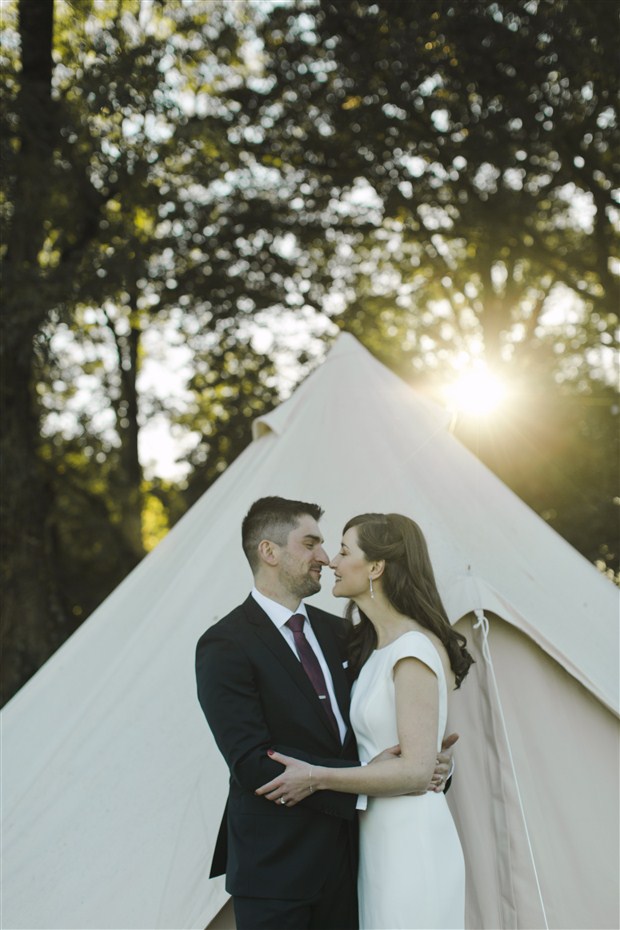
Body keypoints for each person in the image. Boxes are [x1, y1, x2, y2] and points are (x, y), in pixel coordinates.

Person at [195, 497, 456, 930]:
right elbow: (252, 765)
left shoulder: (342, 634)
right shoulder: (224, 644)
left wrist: (429, 764)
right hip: (274, 870)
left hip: (353, 866)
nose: (324, 557)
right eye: (311, 543)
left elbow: (382, 725)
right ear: (269, 552)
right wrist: (373, 777)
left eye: (329, 546)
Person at [256, 512, 474, 930]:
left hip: (412, 839)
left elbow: (414, 770)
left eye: (342, 550)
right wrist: (430, 762)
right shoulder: (372, 648)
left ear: (375, 568)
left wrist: (317, 777)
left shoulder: (413, 649)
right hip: (376, 840)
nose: (332, 562)